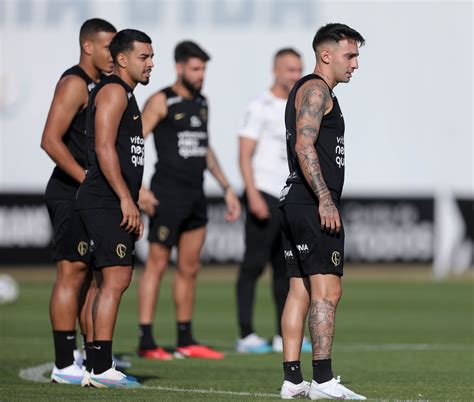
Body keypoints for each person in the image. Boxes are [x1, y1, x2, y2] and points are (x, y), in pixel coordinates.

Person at [278, 23, 367, 399]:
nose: (356, 64)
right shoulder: (316, 89)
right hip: (312, 202)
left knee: (299, 289)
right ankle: (324, 380)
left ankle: (292, 379)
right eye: (350, 55)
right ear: (325, 55)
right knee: (328, 291)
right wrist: (325, 198)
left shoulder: (311, 90)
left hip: (295, 201)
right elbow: (304, 145)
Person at [137, 40, 241, 360]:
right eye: (195, 69)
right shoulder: (161, 101)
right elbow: (134, 142)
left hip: (196, 195)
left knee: (190, 267)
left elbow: (205, 148)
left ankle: (185, 339)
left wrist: (226, 187)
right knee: (156, 265)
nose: (200, 75)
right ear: (179, 67)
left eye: (204, 70)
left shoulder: (202, 103)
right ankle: (147, 340)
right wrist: (136, 188)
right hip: (165, 195)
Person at [76, 28, 154, 388]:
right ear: (122, 59)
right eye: (144, 57)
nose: (150, 64)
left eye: (151, 57)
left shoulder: (127, 95)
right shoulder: (112, 91)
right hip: (105, 199)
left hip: (111, 198)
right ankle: (101, 367)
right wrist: (126, 198)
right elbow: (105, 148)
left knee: (106, 281)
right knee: (116, 278)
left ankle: (95, 363)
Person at [40, 18, 116, 385]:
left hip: (91, 195)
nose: (114, 56)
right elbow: (50, 140)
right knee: (71, 273)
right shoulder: (74, 83)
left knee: (93, 276)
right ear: (88, 46)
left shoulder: (105, 86)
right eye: (108, 48)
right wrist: (86, 178)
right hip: (70, 192)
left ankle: (91, 358)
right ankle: (62, 362)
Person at [235, 48, 312, 354]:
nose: (295, 75)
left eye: (299, 70)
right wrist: (251, 194)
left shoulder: (301, 106)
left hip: (288, 197)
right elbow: (244, 154)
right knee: (253, 265)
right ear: (276, 71)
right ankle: (246, 334)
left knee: (287, 269)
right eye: (290, 70)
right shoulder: (260, 106)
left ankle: (283, 334)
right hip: (264, 192)